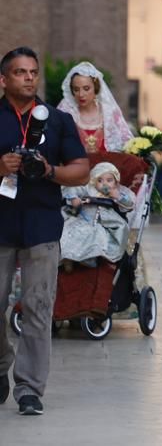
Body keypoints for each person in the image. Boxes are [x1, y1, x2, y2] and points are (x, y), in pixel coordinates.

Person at [0, 47, 90, 416]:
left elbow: (82, 169)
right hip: (0, 224)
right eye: (20, 72)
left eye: (33, 72)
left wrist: (50, 171)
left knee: (38, 309)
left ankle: (30, 388)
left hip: (41, 225)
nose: (29, 78)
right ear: (4, 79)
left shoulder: (57, 120)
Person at [59, 162, 133, 265]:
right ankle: (68, 257)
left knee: (98, 236)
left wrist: (118, 197)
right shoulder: (89, 189)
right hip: (83, 218)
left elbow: (130, 205)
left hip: (105, 223)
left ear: (116, 182)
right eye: (100, 180)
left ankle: (87, 258)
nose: (105, 184)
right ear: (94, 181)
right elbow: (71, 187)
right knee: (72, 232)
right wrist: (74, 198)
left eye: (109, 180)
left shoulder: (117, 192)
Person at [56, 62, 134, 154]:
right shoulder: (66, 112)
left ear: (96, 88)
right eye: (76, 90)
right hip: (77, 167)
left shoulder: (109, 113)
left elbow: (126, 144)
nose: (81, 94)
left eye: (86, 88)